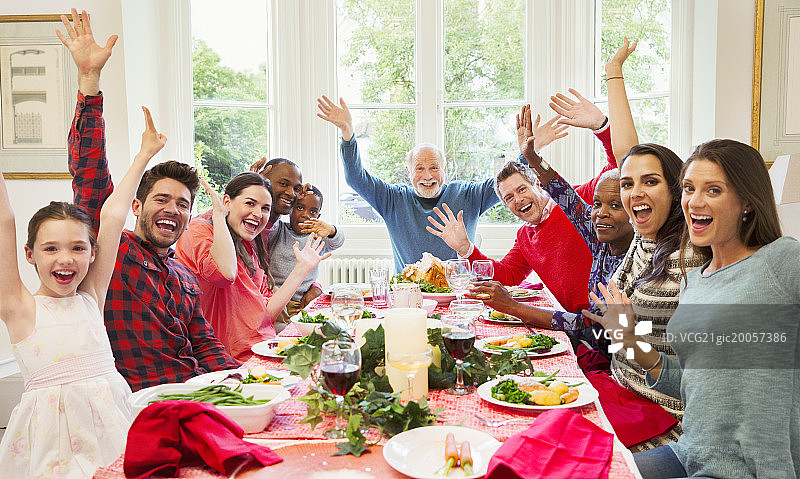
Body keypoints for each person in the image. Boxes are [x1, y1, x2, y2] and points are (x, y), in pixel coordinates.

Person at [0, 26, 163, 473]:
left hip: (113, 427)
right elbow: (5, 221)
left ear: (92, 255)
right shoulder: (18, 307)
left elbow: (111, 217)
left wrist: (144, 156)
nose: (66, 258)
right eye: (51, 248)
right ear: (30, 254)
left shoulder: (92, 296)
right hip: (49, 447)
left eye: (77, 248)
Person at [590, 139, 799, 478]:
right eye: (689, 188)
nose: (694, 201)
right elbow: (692, 383)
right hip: (692, 451)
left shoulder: (779, 260)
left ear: (746, 201)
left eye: (713, 190)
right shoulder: (698, 279)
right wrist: (628, 339)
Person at [64, 10, 237, 390]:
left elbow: (205, 343)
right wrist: (89, 82)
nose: (173, 209)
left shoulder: (183, 277)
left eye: (183, 204)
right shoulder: (112, 255)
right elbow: (90, 178)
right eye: (162, 198)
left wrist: (240, 383)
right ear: (137, 207)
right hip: (142, 403)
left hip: (197, 395)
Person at [581, 39, 706, 450]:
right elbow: (628, 153)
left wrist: (624, 330)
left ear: (675, 190)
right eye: (629, 184)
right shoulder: (643, 237)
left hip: (659, 415)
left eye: (651, 182)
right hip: (620, 387)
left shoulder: (692, 253)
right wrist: (613, 73)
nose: (635, 191)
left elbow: (685, 377)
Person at [428, 92, 618, 314]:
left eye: (522, 189)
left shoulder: (575, 200)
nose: (518, 200)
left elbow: (616, 170)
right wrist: (465, 248)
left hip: (611, 315)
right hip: (576, 322)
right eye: (509, 198)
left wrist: (601, 126)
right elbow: (508, 275)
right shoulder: (525, 236)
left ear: (537, 184)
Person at [317, 95, 506, 273]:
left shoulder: (468, 195)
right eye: (419, 168)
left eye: (434, 168)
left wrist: (529, 154)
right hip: (408, 296)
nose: (427, 176)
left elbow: (508, 181)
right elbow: (356, 178)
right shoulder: (393, 199)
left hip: (457, 293)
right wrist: (347, 132)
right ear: (408, 172)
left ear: (444, 170)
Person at [175, 173, 331, 360]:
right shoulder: (199, 230)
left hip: (261, 349)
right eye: (250, 203)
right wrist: (218, 214)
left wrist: (301, 269)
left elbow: (265, 314)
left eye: (265, 208)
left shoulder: (247, 245)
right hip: (225, 359)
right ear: (227, 202)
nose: (258, 214)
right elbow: (224, 275)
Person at [268, 186, 345, 329]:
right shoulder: (279, 230)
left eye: (313, 211)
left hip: (302, 302)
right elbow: (269, 220)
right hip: (277, 301)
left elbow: (338, 241)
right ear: (290, 210)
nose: (306, 215)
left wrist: (331, 230)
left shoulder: (318, 237)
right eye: (299, 208)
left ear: (318, 217)